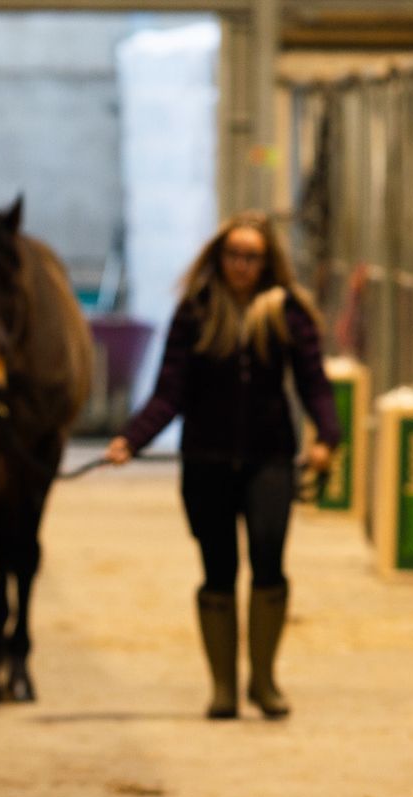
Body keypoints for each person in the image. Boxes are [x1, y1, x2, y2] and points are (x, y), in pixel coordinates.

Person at [105, 211, 340, 720]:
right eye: (234, 254)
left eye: (252, 256)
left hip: (270, 459)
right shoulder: (196, 311)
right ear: (220, 256)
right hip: (206, 461)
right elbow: (170, 392)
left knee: (269, 561)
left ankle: (264, 680)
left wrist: (328, 436)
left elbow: (313, 382)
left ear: (266, 260)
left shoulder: (288, 312)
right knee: (217, 569)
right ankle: (223, 688)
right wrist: (131, 439)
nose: (241, 265)